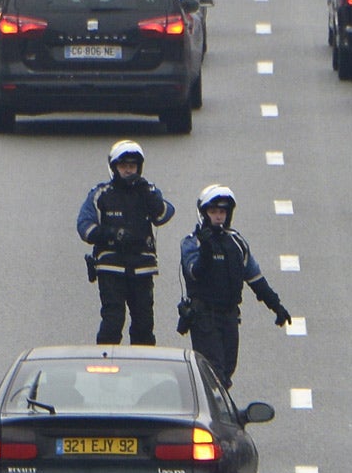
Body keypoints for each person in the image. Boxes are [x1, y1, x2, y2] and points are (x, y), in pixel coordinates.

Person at [176, 185, 289, 387]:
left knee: (227, 370)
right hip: (204, 317)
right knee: (213, 372)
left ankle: (217, 407)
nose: (218, 216)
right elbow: (194, 272)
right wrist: (207, 251)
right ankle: (214, 414)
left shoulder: (236, 242)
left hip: (229, 316)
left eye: (222, 212)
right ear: (203, 213)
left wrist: (276, 306)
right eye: (213, 212)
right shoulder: (193, 243)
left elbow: (255, 278)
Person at [77, 142, 175, 345]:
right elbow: (84, 226)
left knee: (144, 323)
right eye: (123, 166)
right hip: (111, 267)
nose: (128, 169)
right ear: (114, 168)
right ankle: (104, 366)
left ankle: (142, 369)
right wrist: (111, 234)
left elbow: (164, 214)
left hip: (142, 268)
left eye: (132, 165)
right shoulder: (101, 193)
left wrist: (148, 194)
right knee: (113, 320)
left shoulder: (148, 190)